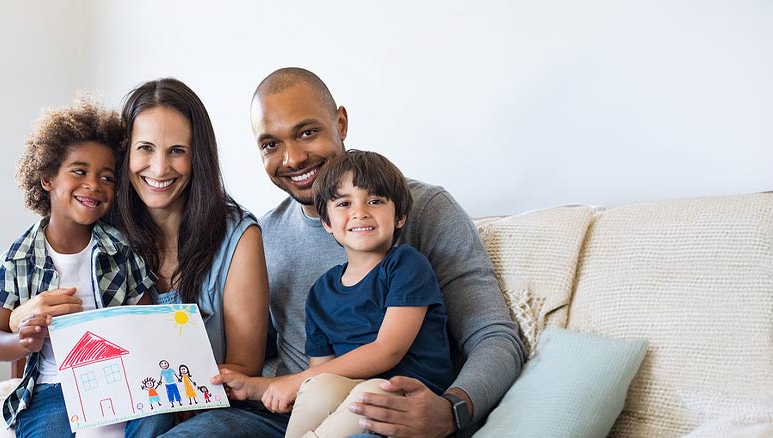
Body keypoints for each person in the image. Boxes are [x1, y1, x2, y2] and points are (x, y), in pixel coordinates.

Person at [163, 68, 525, 437]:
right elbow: (263, 346)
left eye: (307, 132)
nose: (292, 158)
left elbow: (495, 337)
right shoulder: (262, 234)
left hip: (384, 408)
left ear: (340, 123)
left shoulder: (424, 209)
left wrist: (452, 409)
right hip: (292, 409)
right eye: (271, 144)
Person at [0, 98, 156, 438]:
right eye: (79, 171)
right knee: (47, 429)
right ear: (48, 177)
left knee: (156, 419)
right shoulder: (16, 259)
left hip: (121, 380)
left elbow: (148, 320)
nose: (94, 184)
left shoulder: (122, 250)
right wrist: (23, 341)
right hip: (53, 386)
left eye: (107, 177)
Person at [281, 149, 454, 438]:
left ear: (400, 216)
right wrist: (305, 382)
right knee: (318, 387)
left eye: (374, 201)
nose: (360, 212)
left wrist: (299, 378)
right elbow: (321, 371)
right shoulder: (321, 292)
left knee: (368, 392)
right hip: (351, 390)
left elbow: (388, 350)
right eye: (344, 203)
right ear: (326, 223)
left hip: (407, 393)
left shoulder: (406, 265)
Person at [114, 77, 269, 382]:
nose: (160, 168)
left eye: (177, 151)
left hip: (211, 399)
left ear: (198, 156)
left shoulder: (239, 237)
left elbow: (245, 366)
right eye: (145, 148)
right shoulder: (102, 231)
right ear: (124, 152)